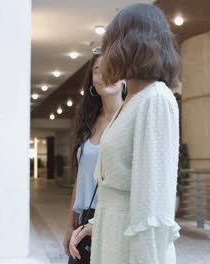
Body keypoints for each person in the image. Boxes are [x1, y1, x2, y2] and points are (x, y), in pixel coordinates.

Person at [69, 3, 181, 264]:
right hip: (112, 240)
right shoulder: (133, 100)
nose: (106, 53)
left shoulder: (155, 99)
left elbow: (152, 207)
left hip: (131, 251)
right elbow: (122, 189)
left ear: (130, 44)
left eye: (110, 42)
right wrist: (95, 225)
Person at [63, 53, 125, 263]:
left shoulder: (129, 119)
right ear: (91, 79)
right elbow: (81, 175)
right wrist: (70, 223)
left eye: (111, 67)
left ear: (124, 75)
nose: (103, 75)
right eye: (97, 70)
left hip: (113, 222)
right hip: (83, 222)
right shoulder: (88, 119)